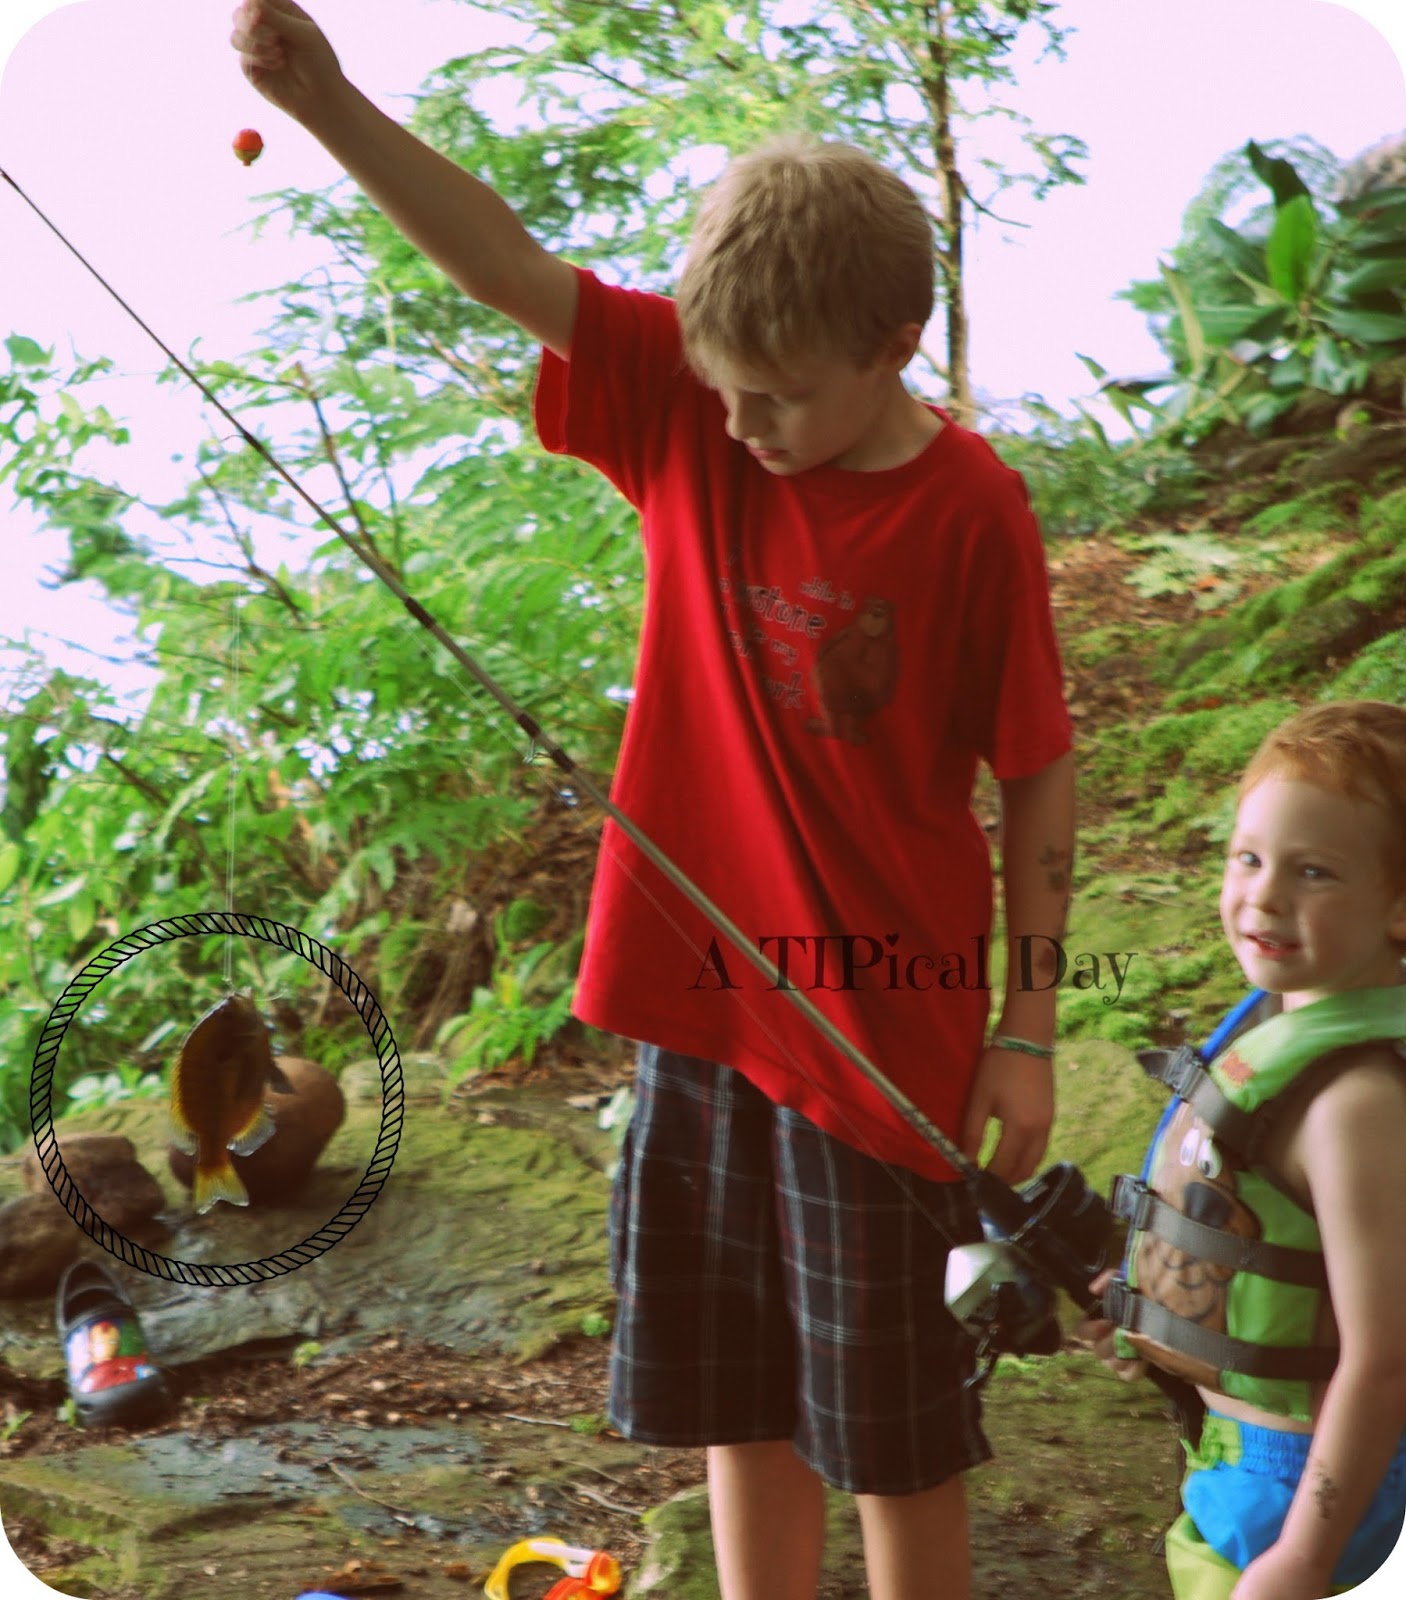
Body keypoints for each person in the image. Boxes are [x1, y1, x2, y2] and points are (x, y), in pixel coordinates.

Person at [230, 6, 1075, 1596]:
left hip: (875, 1027)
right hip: (697, 1015)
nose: (740, 427)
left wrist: (1023, 1031)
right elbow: (502, 265)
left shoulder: (971, 511)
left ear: (892, 349)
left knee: (892, 1429)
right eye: (719, 387)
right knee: (731, 1398)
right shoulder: (695, 410)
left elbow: (1035, 775)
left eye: (779, 399)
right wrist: (326, 100)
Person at [1080, 699, 1406, 1600]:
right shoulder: (1280, 1025)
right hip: (1239, 1469)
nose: (1264, 896)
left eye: (1313, 872)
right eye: (1248, 858)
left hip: (1305, 1493)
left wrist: (1304, 1556)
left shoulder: (1356, 1103)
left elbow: (1385, 1357)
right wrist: (1162, 1319)